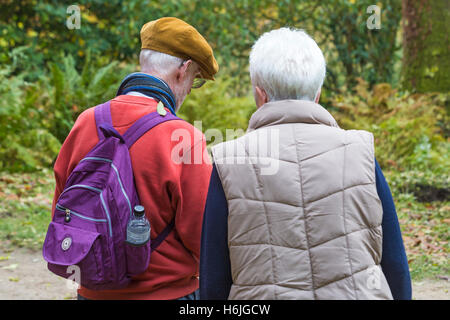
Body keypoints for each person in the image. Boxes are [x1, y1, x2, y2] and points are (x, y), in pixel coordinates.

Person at [199, 27, 412, 300]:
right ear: (317, 94)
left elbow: (215, 276)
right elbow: (394, 262)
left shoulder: (229, 160)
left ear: (259, 94)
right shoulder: (359, 151)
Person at [52, 17, 218, 300]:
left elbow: (63, 208)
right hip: (167, 293)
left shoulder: (85, 122)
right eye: (195, 80)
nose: (190, 89)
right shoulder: (184, 137)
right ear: (183, 70)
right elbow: (202, 237)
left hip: (93, 292)